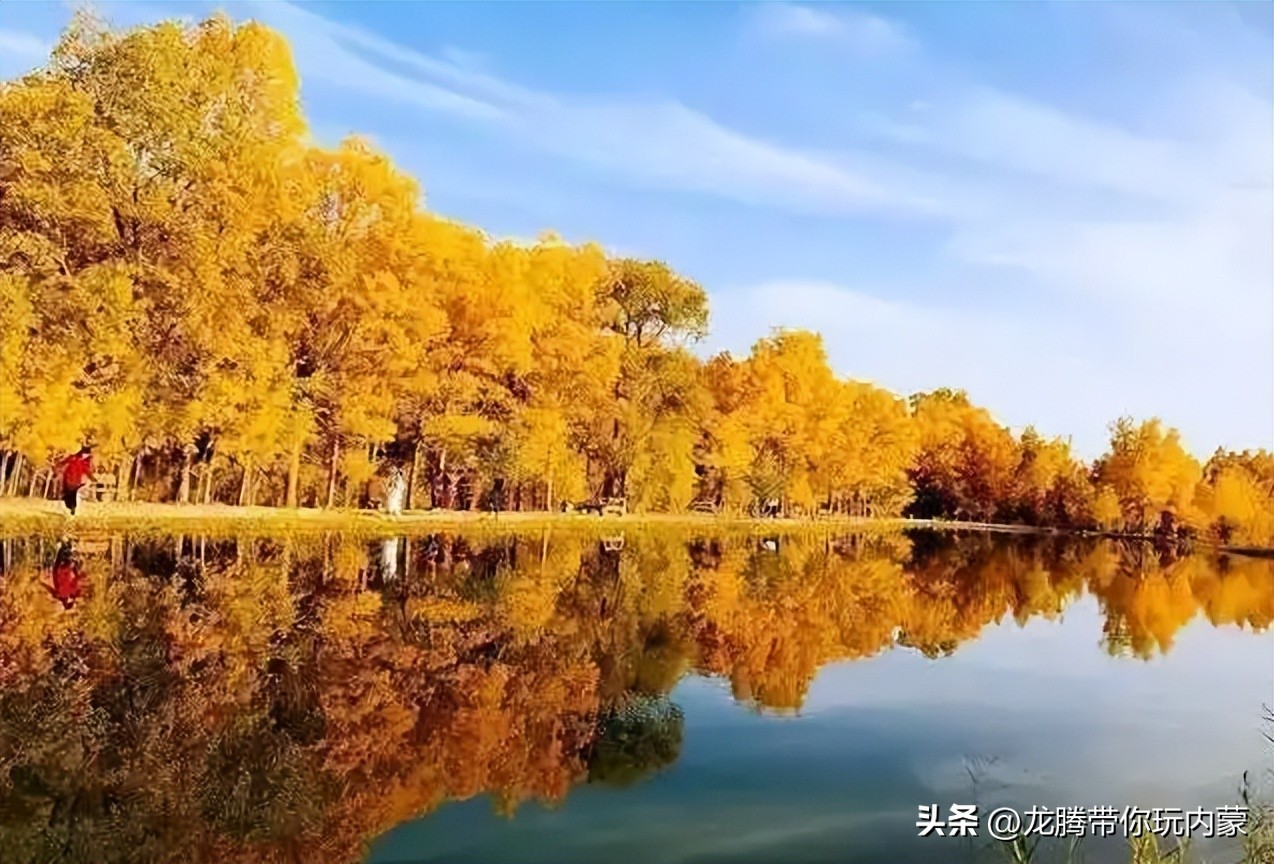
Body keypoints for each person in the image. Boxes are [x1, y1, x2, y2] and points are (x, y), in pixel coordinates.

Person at [59, 446, 94, 516]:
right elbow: (86, 470)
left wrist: (92, 478)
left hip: (72, 480)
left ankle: (72, 507)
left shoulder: (77, 459)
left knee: (70, 494)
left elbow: (86, 470)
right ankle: (72, 506)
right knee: (71, 494)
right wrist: (92, 478)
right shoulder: (78, 459)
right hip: (72, 480)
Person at [47, 542, 83, 609]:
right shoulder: (68, 593)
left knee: (61, 564)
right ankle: (65, 548)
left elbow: (76, 578)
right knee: (63, 563)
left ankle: (64, 548)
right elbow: (76, 579)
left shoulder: (61, 594)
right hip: (63, 571)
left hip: (62, 571)